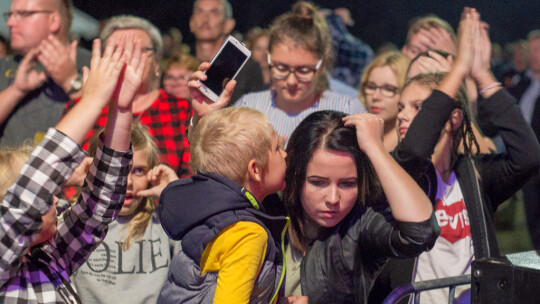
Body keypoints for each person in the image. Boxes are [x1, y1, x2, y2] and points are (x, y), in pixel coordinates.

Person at [388, 8, 540, 302]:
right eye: (402, 106)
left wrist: (481, 74)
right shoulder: (399, 173)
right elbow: (416, 149)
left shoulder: (472, 174)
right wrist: (458, 68)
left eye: (419, 107)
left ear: (452, 117)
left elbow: (528, 157)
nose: (405, 115)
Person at [0, 33, 145, 303]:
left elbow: (99, 206)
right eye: (48, 192)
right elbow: (31, 192)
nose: (57, 196)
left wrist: (121, 108)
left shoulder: (46, 260)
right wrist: (91, 100)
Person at [157, 107, 308, 304]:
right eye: (277, 149)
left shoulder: (213, 212)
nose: (285, 155)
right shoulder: (247, 234)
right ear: (255, 169)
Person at [64, 16, 192, 178]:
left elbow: (192, 178)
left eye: (137, 49)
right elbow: (64, 175)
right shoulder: (81, 108)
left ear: (156, 64)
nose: (127, 57)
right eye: (117, 50)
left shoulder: (181, 110)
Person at [226, 1, 365, 146]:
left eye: (304, 71)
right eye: (281, 68)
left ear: (323, 64)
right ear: (268, 58)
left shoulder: (348, 110)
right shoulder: (248, 106)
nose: (291, 81)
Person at [71, 122, 181, 304]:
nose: (128, 182)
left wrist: (177, 197)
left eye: (138, 171)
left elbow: (198, 260)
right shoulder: (74, 222)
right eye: (118, 171)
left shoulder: (164, 223)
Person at [0, 0, 91, 147]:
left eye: (23, 14)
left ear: (53, 21)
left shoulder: (93, 63)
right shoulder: (3, 65)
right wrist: (16, 90)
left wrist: (71, 81)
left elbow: (107, 128)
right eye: (10, 15)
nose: (10, 22)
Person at [189, 0, 265, 105]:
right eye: (199, 12)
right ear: (191, 23)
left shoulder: (248, 68)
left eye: (213, 13)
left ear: (228, 25)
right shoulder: (179, 63)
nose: (205, 19)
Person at [505, 29, 540, 249]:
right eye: (533, 50)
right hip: (527, 165)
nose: (535, 55)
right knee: (533, 220)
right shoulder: (522, 85)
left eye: (539, 50)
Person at [359, 50, 410, 151]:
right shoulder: (354, 132)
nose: (375, 96)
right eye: (371, 87)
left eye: (388, 89)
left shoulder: (411, 147)